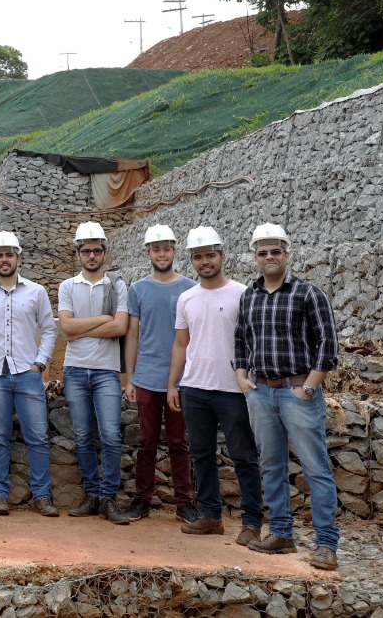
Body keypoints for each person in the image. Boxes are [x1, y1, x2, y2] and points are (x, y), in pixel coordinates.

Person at [235, 223, 341, 571]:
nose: (269, 257)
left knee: (316, 468)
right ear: (255, 257)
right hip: (260, 391)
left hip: (298, 392)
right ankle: (280, 533)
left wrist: (309, 387)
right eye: (263, 252)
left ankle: (326, 544)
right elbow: (240, 339)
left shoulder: (309, 293)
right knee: (271, 465)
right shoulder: (249, 296)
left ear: (287, 254)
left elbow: (327, 344)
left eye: (275, 251)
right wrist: (241, 375)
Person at [168, 226, 265, 544]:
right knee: (202, 454)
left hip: (233, 388)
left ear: (222, 256)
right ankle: (210, 516)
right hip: (194, 388)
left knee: (243, 456)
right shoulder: (186, 298)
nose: (205, 261)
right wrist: (174, 384)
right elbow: (181, 344)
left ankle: (252, 522)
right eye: (198, 256)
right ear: (192, 261)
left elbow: (253, 340)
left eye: (210, 255)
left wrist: (249, 377)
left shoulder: (241, 293)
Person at [0, 231, 58, 516]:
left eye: (9, 254)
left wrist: (39, 364)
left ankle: (42, 497)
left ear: (18, 257)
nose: (4, 260)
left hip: (27, 374)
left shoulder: (36, 292)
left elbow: (48, 329)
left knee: (38, 437)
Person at [121, 224, 196, 523]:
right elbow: (133, 336)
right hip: (147, 378)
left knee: (179, 442)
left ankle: (184, 502)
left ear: (175, 251)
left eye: (166, 248)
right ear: (147, 252)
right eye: (156, 249)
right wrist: (130, 377)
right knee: (147, 442)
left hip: (182, 379)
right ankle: (142, 500)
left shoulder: (190, 288)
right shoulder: (138, 289)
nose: (162, 254)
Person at [58, 221, 130, 525]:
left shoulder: (116, 285)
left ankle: (108, 497)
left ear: (104, 252)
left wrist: (85, 325)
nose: (91, 255)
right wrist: (103, 319)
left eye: (96, 250)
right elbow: (67, 329)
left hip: (106, 372)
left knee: (112, 436)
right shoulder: (67, 286)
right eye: (86, 250)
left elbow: (121, 327)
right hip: (75, 370)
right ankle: (92, 495)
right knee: (84, 436)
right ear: (78, 253)